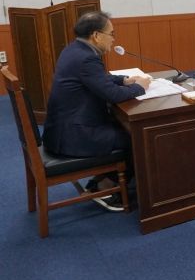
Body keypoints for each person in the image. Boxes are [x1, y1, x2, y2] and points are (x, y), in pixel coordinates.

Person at [42, 11, 150, 211]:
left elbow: (98, 79)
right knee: (136, 137)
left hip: (60, 129)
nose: (113, 39)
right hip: (74, 136)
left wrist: (123, 80)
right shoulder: (86, 58)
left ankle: (102, 180)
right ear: (96, 35)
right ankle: (106, 188)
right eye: (111, 34)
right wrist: (140, 87)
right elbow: (113, 95)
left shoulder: (73, 49)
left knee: (124, 128)